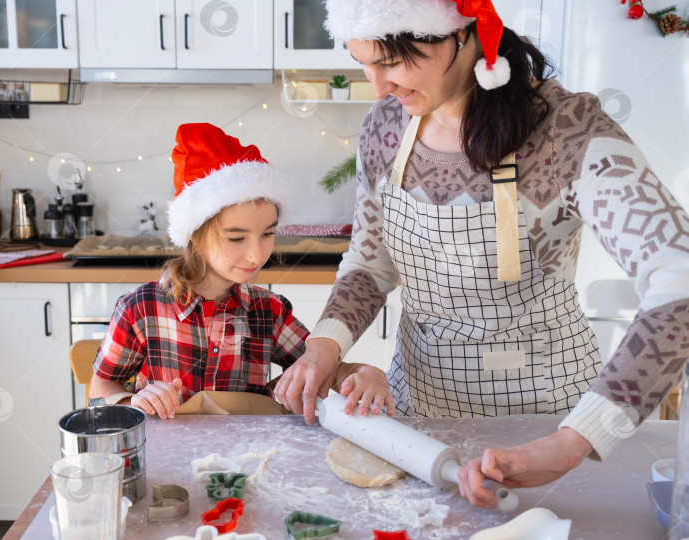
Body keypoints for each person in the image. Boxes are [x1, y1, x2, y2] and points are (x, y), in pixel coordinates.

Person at [274, 0, 689, 509]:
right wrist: (325, 346)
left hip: (547, 422)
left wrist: (575, 438)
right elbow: (369, 260)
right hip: (419, 421)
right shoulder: (385, 126)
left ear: (456, 35)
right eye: (363, 62)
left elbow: (680, 276)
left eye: (390, 62)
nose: (378, 86)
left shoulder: (567, 130)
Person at [90, 123, 310, 418]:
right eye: (236, 238)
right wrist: (134, 403)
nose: (257, 254)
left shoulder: (269, 310)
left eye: (267, 234)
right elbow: (100, 389)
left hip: (248, 461)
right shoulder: (140, 309)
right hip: (165, 461)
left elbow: (313, 364)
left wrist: (344, 373)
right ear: (194, 232)